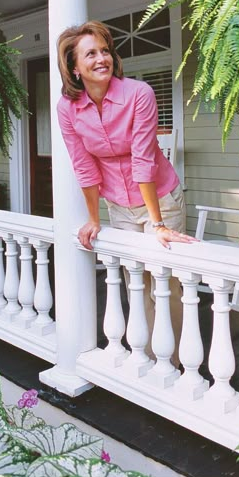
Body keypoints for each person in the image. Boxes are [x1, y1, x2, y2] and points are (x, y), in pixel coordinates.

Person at [56, 20, 196, 365]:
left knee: (166, 284)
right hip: (118, 205)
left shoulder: (139, 94)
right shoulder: (67, 108)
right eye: (91, 54)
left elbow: (144, 159)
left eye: (105, 51)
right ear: (75, 68)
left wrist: (157, 222)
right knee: (137, 282)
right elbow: (83, 166)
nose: (101, 58)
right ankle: (146, 357)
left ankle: (176, 364)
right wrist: (93, 218)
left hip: (160, 199)